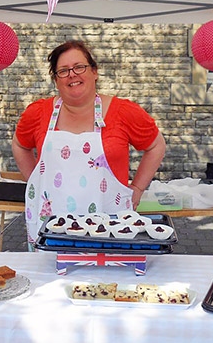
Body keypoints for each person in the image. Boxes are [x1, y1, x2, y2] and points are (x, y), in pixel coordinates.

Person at [12, 40, 166, 244]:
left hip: (109, 226)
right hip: (51, 228)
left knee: (107, 275)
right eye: (63, 71)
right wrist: (36, 181)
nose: (72, 74)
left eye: (79, 67)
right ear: (56, 80)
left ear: (94, 72)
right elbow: (20, 144)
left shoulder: (123, 112)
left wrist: (137, 189)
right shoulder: (38, 113)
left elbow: (156, 145)